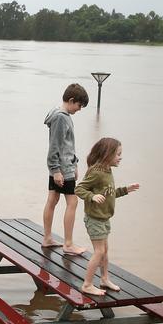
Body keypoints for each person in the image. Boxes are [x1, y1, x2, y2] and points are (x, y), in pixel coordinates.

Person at [74, 137, 140, 296]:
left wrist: (125, 190)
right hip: (94, 219)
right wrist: (91, 196)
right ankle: (87, 284)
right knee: (99, 251)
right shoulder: (97, 172)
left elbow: (109, 194)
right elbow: (79, 189)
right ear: (107, 154)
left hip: (104, 218)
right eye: (118, 154)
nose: (120, 157)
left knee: (105, 250)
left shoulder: (107, 171)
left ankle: (104, 278)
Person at [42, 83, 90, 255]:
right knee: (73, 202)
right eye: (79, 105)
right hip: (61, 168)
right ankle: (68, 244)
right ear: (71, 100)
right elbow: (55, 146)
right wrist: (56, 170)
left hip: (62, 166)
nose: (79, 109)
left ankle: (47, 238)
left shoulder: (57, 113)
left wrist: (74, 163)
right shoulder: (62, 118)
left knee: (53, 199)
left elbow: (67, 145)